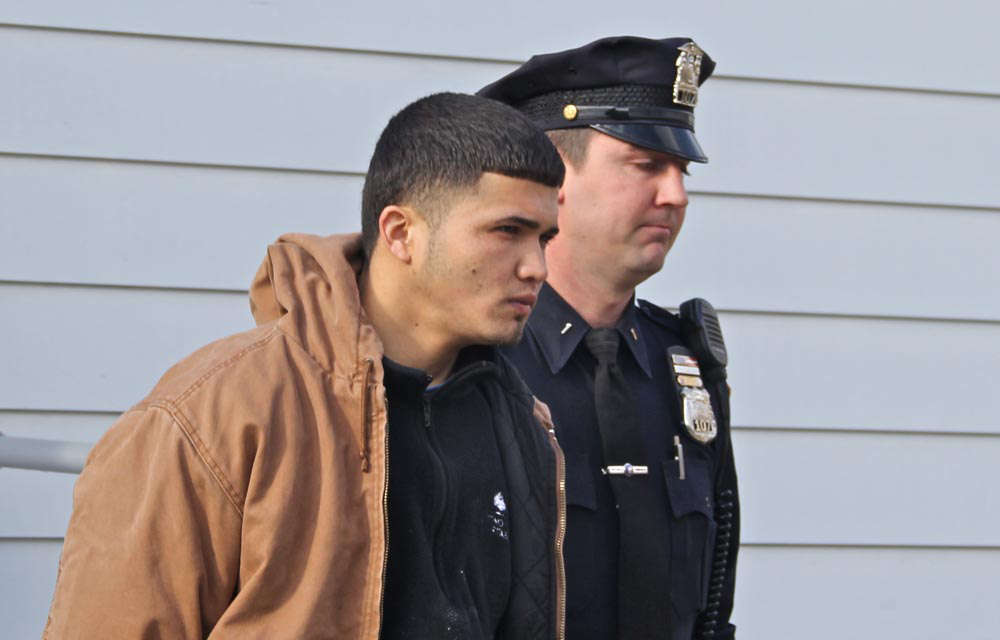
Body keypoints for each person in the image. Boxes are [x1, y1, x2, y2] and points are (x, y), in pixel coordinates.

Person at [44, 92, 568, 639]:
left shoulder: (522, 425)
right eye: (507, 231)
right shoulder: (212, 416)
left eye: (545, 238)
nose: (537, 268)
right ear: (400, 233)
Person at [479, 36, 739, 640]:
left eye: (681, 171)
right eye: (646, 165)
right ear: (553, 176)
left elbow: (708, 603)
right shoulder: (477, 362)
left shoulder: (682, 363)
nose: (675, 195)